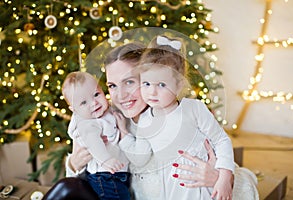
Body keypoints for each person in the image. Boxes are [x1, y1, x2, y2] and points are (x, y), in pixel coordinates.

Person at [44, 41, 258, 200]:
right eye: (112, 86)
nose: (120, 96)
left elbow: (246, 181)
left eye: (129, 82)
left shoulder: (182, 118)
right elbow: (84, 179)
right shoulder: (108, 120)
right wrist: (73, 163)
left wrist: (221, 178)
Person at [118, 35, 234, 200]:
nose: (152, 92)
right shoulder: (146, 120)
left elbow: (221, 140)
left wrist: (224, 177)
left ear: (179, 85)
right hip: (171, 187)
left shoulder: (193, 109)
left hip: (201, 185)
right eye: (146, 83)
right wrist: (123, 134)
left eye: (162, 85)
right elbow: (140, 157)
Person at [61, 71, 131, 200]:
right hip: (105, 176)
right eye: (83, 103)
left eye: (96, 94)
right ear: (74, 110)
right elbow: (94, 143)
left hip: (116, 172)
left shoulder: (107, 111)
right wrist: (106, 160)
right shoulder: (87, 124)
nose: (94, 103)